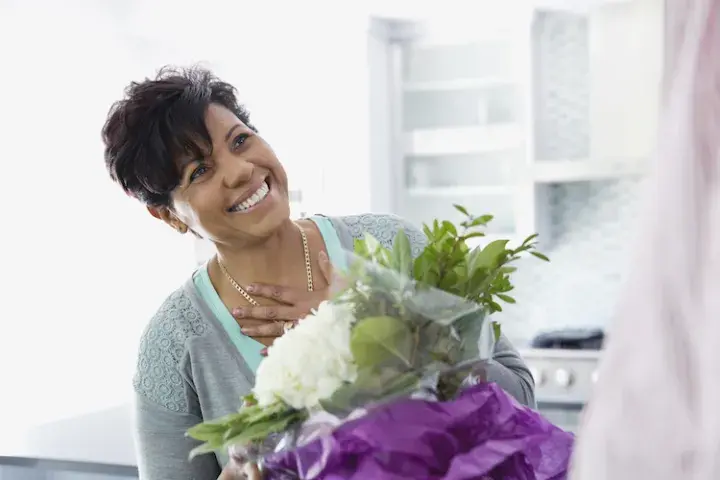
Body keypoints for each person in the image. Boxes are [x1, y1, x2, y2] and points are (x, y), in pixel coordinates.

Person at [102, 66, 536, 480]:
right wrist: (241, 470)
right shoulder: (175, 343)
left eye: (239, 141)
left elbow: (518, 398)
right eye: (200, 171)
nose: (240, 171)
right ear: (169, 216)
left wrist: (380, 326)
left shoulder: (390, 246)